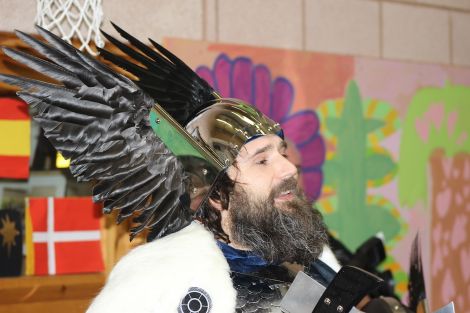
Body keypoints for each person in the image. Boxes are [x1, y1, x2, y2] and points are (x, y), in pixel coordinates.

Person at [0, 24, 403, 313]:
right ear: (214, 191)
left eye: (283, 151)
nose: (288, 168)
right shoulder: (160, 282)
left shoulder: (314, 264)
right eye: (262, 159)